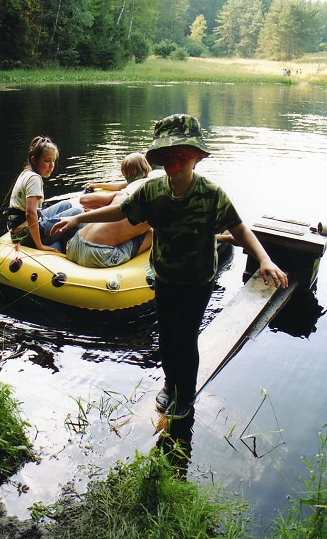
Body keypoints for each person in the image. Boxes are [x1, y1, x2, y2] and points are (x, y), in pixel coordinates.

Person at [50, 114, 288, 418]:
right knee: (166, 336)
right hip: (164, 276)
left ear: (197, 156)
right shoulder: (152, 191)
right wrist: (78, 218)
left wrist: (265, 259)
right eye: (166, 152)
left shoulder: (211, 195)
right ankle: (169, 384)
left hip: (197, 280)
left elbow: (239, 228)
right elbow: (119, 211)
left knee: (185, 338)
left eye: (181, 151)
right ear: (159, 157)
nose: (173, 157)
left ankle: (185, 394)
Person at [66, 153, 153, 268]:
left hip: (73, 245)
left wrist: (102, 207)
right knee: (153, 232)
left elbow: (84, 199)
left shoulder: (121, 193)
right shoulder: (154, 201)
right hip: (96, 254)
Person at [6, 135, 82, 252]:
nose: (52, 166)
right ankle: (71, 251)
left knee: (66, 205)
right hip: (25, 235)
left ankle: (62, 241)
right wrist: (40, 245)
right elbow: (30, 213)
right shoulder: (34, 179)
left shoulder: (26, 172)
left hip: (18, 229)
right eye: (47, 161)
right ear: (34, 160)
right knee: (78, 213)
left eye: (53, 161)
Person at [80, 152, 152, 211]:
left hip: (118, 209)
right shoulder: (140, 180)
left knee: (84, 200)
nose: (126, 177)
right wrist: (96, 185)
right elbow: (118, 186)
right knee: (85, 200)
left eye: (129, 174)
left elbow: (118, 210)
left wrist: (93, 211)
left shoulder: (134, 191)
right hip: (120, 206)